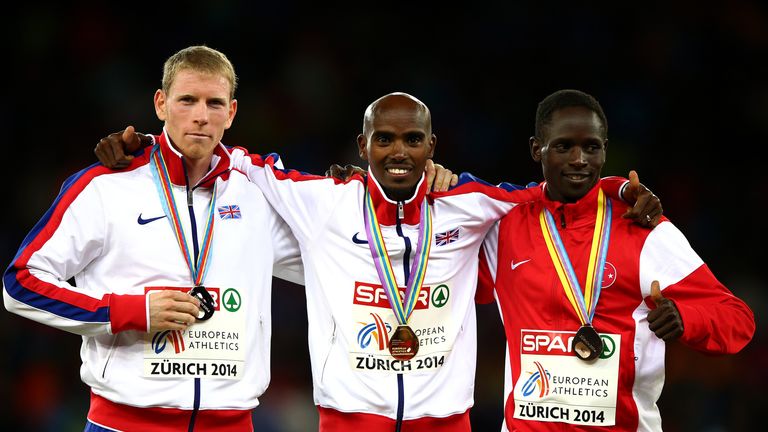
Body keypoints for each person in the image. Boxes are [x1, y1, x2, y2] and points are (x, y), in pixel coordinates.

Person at [95, 92, 659, 431]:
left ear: (431, 146)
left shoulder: (469, 204)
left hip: (444, 426)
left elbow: (551, 190)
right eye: (383, 139)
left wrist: (617, 191)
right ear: (362, 147)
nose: (398, 151)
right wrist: (149, 144)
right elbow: (239, 158)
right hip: (347, 424)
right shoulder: (322, 201)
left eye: (412, 139)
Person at [3, 45, 305, 431]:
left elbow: (334, 263)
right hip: (125, 423)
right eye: (187, 100)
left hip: (232, 423)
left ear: (231, 112)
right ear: (161, 104)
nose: (200, 116)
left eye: (214, 103)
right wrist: (130, 312)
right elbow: (20, 283)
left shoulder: (258, 195)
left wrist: (353, 197)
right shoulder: (105, 186)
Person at [477, 89, 756, 431]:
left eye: (591, 147)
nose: (579, 159)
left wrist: (687, 318)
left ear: (605, 149)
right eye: (564, 146)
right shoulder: (503, 227)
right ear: (537, 149)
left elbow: (738, 321)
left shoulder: (644, 230)